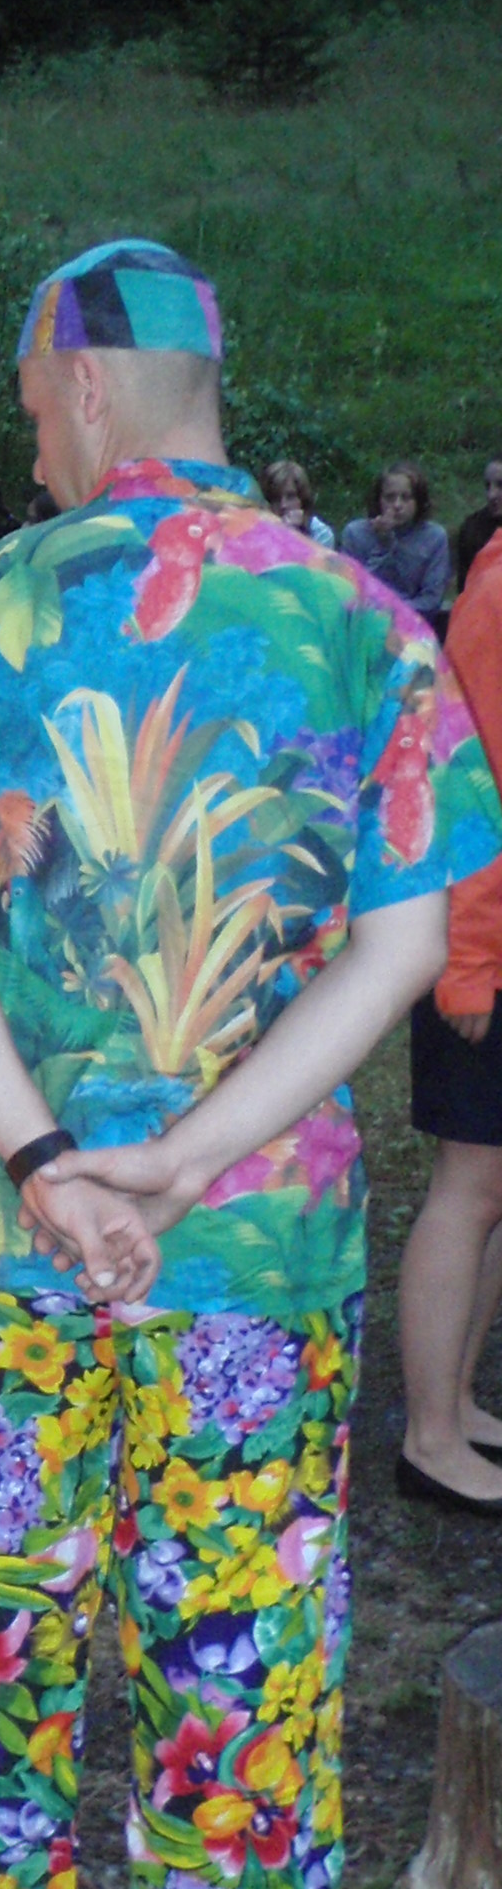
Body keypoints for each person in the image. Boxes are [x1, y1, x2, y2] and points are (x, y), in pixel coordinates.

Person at [0, 235, 502, 1889]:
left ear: (90, 385)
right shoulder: (362, 621)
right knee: (237, 1610)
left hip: (7, 1239)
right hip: (251, 1245)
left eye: (37, 408)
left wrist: (49, 1164)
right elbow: (405, 941)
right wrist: (191, 1156)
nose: (35, 445)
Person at [396, 529, 502, 1512]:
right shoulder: (499, 594)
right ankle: (429, 1437)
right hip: (482, 952)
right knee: (468, 1187)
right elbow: (466, 784)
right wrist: (466, 963)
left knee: (496, 1188)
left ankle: (459, 1402)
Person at [339, 463, 452, 636]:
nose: (397, 505)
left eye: (406, 498)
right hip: (364, 627)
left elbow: (431, 600)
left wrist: (393, 613)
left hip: (413, 629)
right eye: (389, 498)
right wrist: (383, 546)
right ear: (378, 500)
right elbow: (349, 590)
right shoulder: (355, 533)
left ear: (418, 501)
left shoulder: (435, 537)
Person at [259, 460, 335, 548]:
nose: (283, 505)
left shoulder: (321, 533)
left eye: (290, 497)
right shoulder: (257, 529)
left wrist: (294, 533)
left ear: (302, 498)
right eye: (276, 498)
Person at [456, 459, 502, 592]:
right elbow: (464, 589)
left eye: (500, 485)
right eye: (488, 486)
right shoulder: (472, 529)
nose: (491, 495)